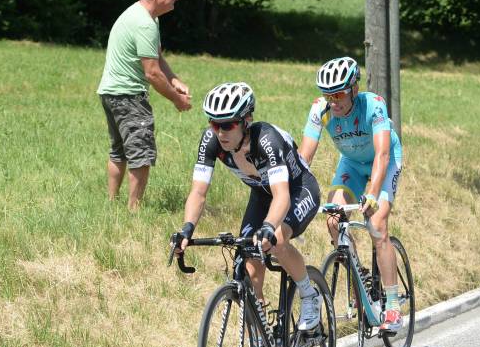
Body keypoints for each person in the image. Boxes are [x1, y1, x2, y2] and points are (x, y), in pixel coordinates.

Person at [172, 83, 322, 331]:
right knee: (250, 271)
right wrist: (186, 229)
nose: (220, 132)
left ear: (246, 120)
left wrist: (268, 227)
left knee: (278, 240)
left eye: (228, 124)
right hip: (262, 195)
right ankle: (264, 341)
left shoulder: (266, 139)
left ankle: (309, 295)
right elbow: (198, 192)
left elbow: (282, 195)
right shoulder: (211, 141)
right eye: (214, 123)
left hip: (297, 189)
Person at [297, 56, 405, 332]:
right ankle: (362, 278)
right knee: (333, 220)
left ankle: (393, 306)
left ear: (354, 88)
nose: (334, 100)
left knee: (377, 224)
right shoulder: (320, 110)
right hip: (351, 166)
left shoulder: (373, 105)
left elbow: (381, 154)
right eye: (328, 94)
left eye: (340, 93)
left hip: (385, 160)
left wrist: (371, 194)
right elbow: (304, 157)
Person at [97, 0, 193, 210]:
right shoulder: (144, 24)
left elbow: (157, 58)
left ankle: (111, 203)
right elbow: (151, 73)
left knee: (119, 150)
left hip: (110, 93)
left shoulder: (145, 16)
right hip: (129, 96)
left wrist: (174, 79)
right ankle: (133, 211)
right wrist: (176, 100)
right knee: (141, 154)